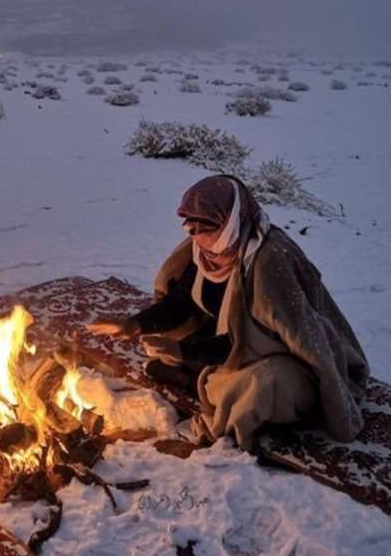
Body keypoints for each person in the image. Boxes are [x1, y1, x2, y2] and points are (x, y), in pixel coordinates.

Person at [87, 175, 369, 450]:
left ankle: (212, 395)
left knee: (262, 384)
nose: (194, 234)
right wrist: (135, 324)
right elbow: (181, 303)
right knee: (170, 336)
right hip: (228, 340)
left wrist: (184, 352)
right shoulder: (207, 250)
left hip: (281, 356)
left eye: (203, 226)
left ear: (230, 221)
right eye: (189, 226)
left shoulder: (268, 261)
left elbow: (256, 341)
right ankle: (202, 380)